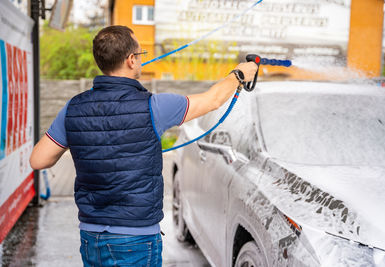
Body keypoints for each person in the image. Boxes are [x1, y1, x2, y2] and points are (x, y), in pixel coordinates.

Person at [30, 25, 257, 267]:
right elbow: (212, 100)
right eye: (140, 55)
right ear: (130, 60)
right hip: (135, 239)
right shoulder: (155, 106)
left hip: (91, 237)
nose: (141, 60)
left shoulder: (73, 108)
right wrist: (241, 74)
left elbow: (38, 160)